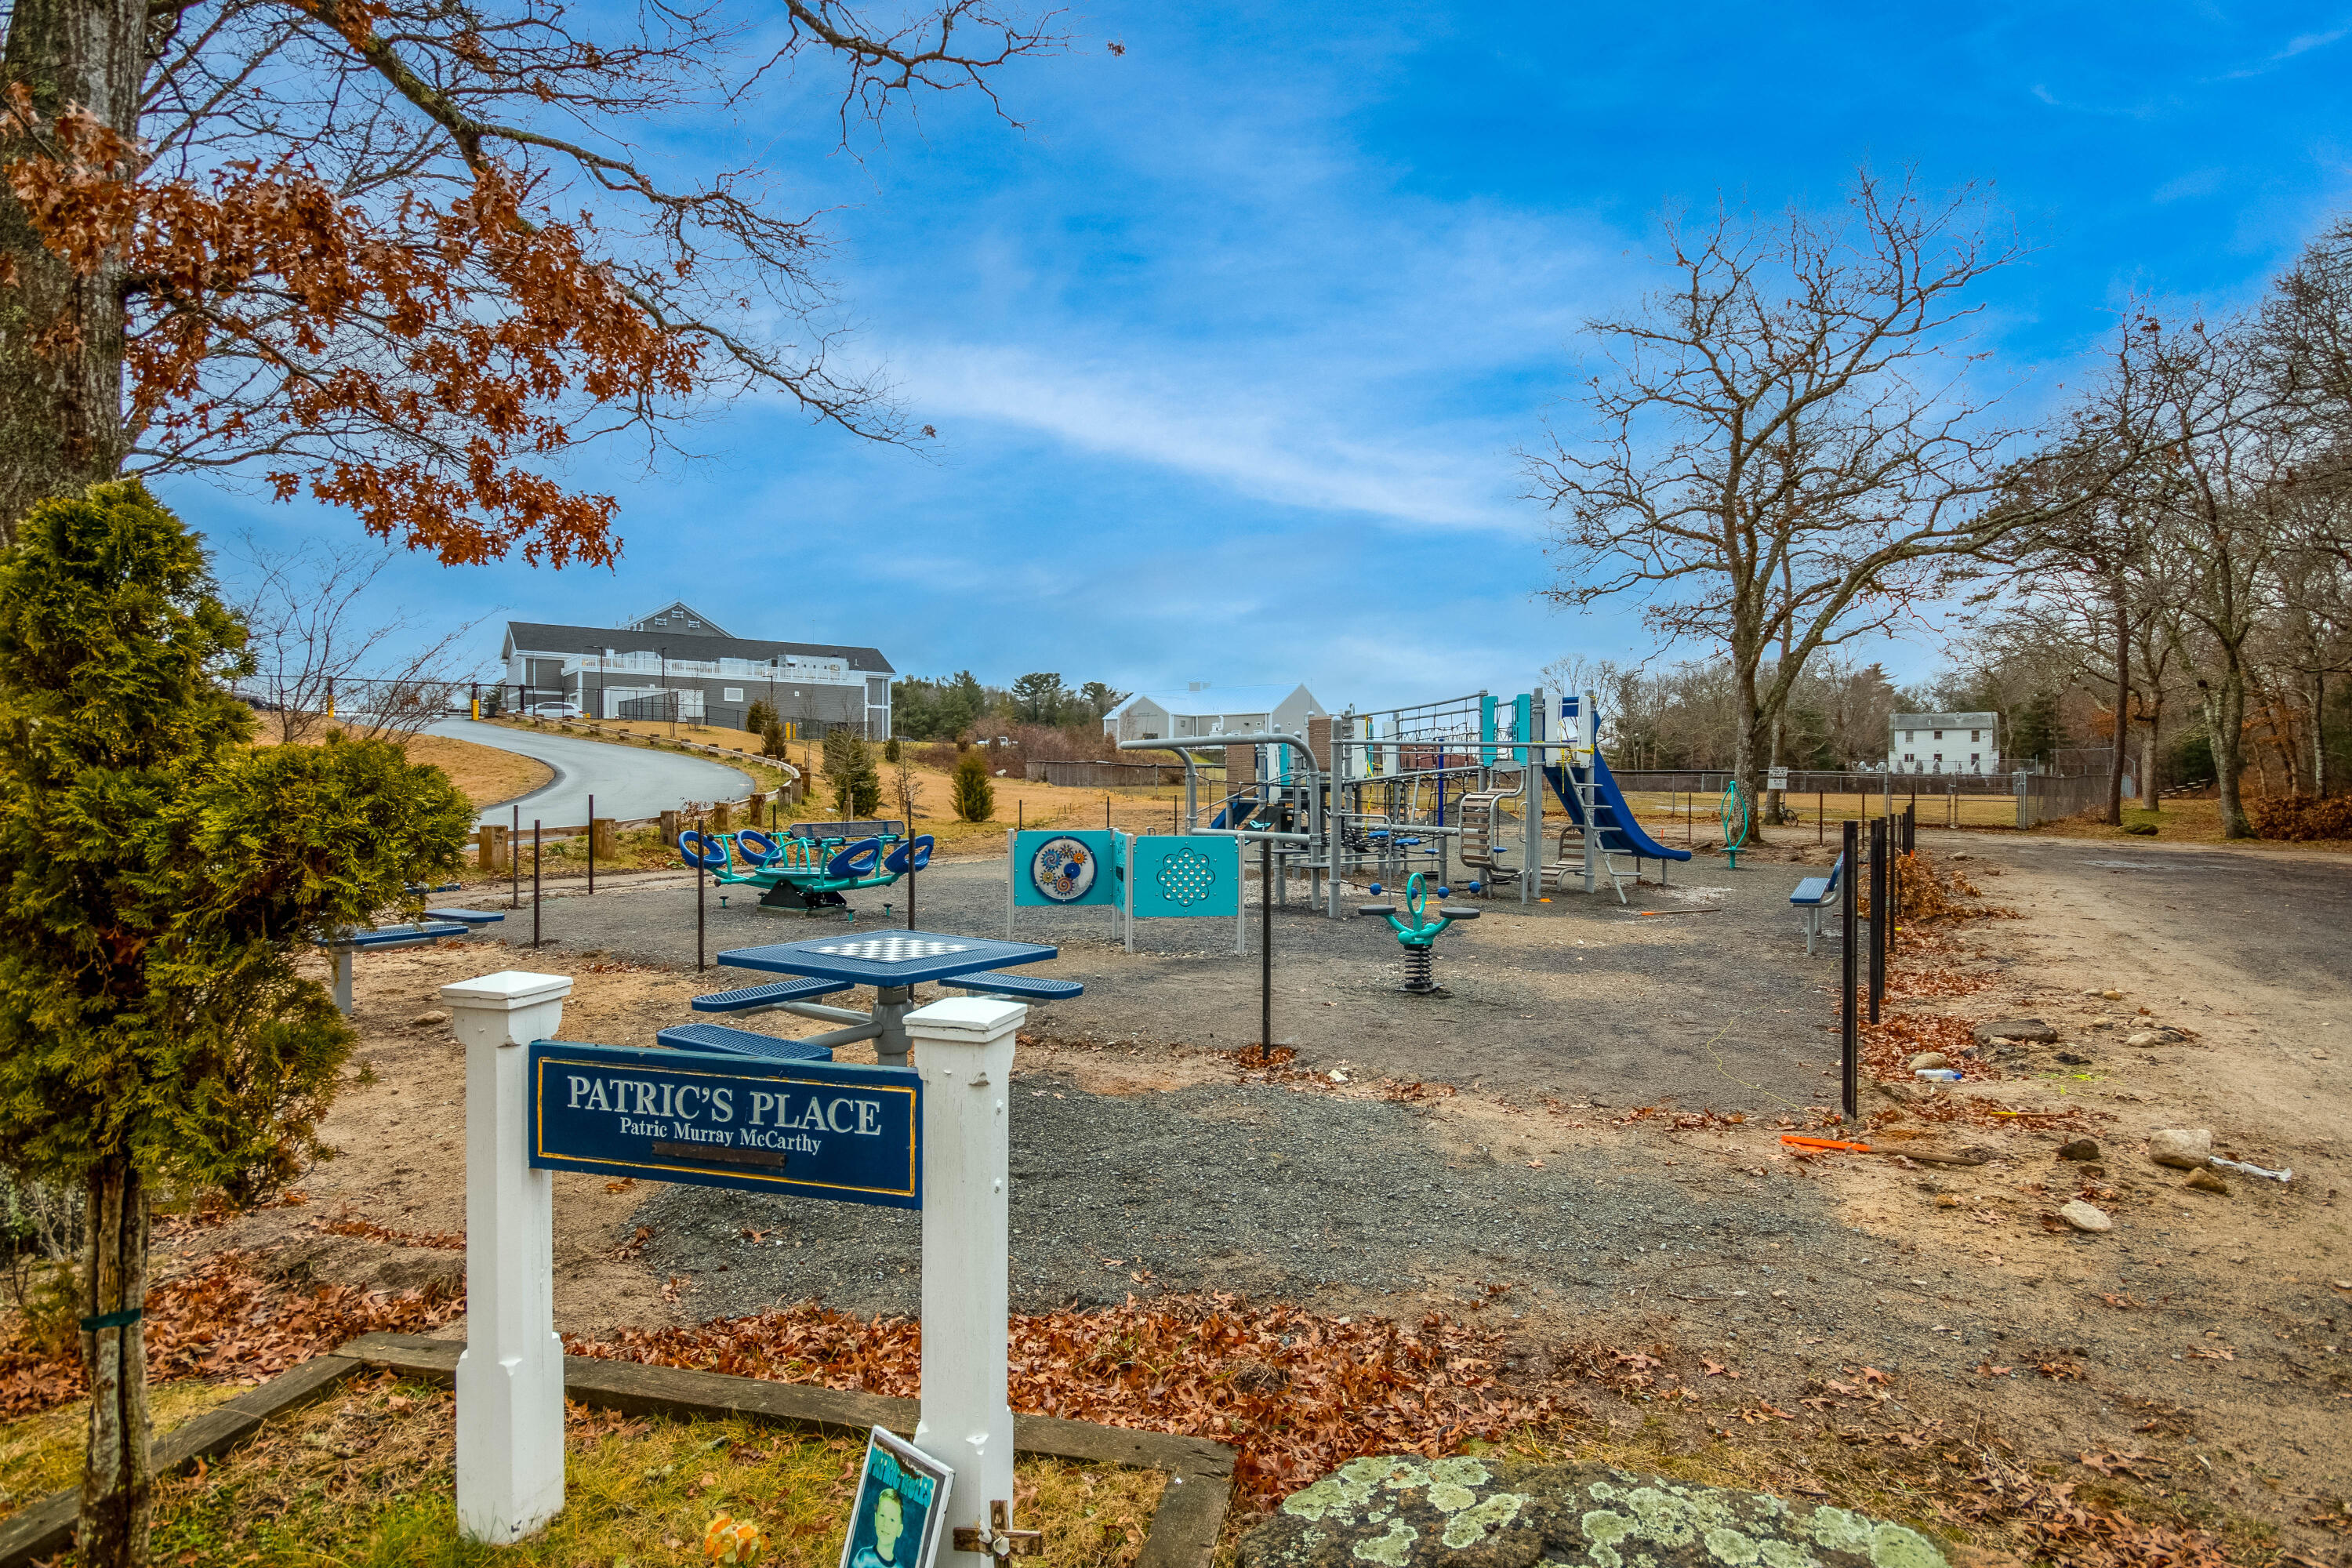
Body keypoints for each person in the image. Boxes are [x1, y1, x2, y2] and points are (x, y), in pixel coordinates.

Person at [850, 1484, 905, 1568]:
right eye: (882, 1516)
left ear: (899, 1530)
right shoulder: (864, 1557)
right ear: (876, 1519)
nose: (886, 1524)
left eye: (892, 1520)